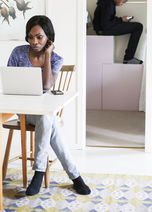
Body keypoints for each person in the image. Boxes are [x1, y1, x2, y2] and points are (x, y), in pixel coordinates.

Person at [7, 15, 91, 196]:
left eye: (39, 37)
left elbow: (46, 86)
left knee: (46, 118)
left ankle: (39, 172)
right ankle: (74, 177)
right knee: (48, 120)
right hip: (23, 111)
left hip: (45, 112)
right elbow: (9, 81)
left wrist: (47, 54)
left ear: (49, 38)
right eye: (30, 37)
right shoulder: (18, 53)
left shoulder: (55, 59)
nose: (34, 41)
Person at [93, 0, 143, 64]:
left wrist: (122, 19)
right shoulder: (109, 3)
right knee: (138, 27)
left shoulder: (108, 1)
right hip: (104, 30)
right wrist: (121, 20)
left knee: (137, 26)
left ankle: (128, 58)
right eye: (123, 2)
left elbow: (108, 20)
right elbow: (106, 25)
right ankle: (128, 58)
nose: (122, 4)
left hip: (103, 28)